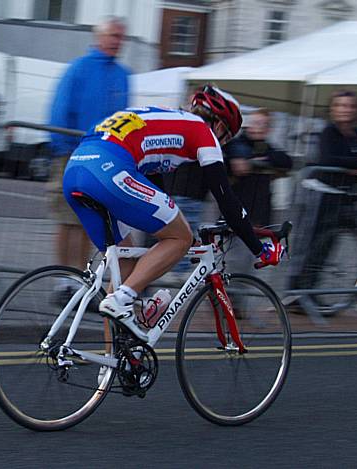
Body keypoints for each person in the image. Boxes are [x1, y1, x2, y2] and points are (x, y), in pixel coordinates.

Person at [62, 84, 282, 341]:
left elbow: (155, 188)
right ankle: (123, 299)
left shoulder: (168, 120)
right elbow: (227, 200)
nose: (221, 146)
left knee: (127, 268)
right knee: (180, 238)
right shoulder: (203, 131)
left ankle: (109, 369)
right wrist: (260, 249)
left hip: (76, 169)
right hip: (109, 167)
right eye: (226, 140)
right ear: (220, 127)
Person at [48, 16, 130, 302]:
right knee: (66, 218)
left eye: (121, 37)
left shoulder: (123, 74)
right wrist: (62, 148)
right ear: (99, 36)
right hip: (71, 154)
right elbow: (60, 108)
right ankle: (62, 280)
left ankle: (80, 281)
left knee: (87, 222)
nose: (116, 41)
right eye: (112, 35)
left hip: (102, 159)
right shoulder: (79, 69)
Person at [287, 90, 357, 316]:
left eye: (350, 106)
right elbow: (328, 159)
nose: (346, 109)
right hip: (320, 194)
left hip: (343, 196)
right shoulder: (329, 132)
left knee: (327, 245)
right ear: (333, 109)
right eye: (341, 105)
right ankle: (297, 293)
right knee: (311, 245)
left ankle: (310, 292)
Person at [223, 108, 292, 275]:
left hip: (258, 217)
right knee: (232, 263)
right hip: (236, 216)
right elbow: (235, 156)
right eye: (255, 123)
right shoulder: (237, 144)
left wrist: (257, 162)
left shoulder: (267, 148)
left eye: (263, 124)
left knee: (248, 266)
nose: (257, 127)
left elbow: (286, 161)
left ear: (269, 129)